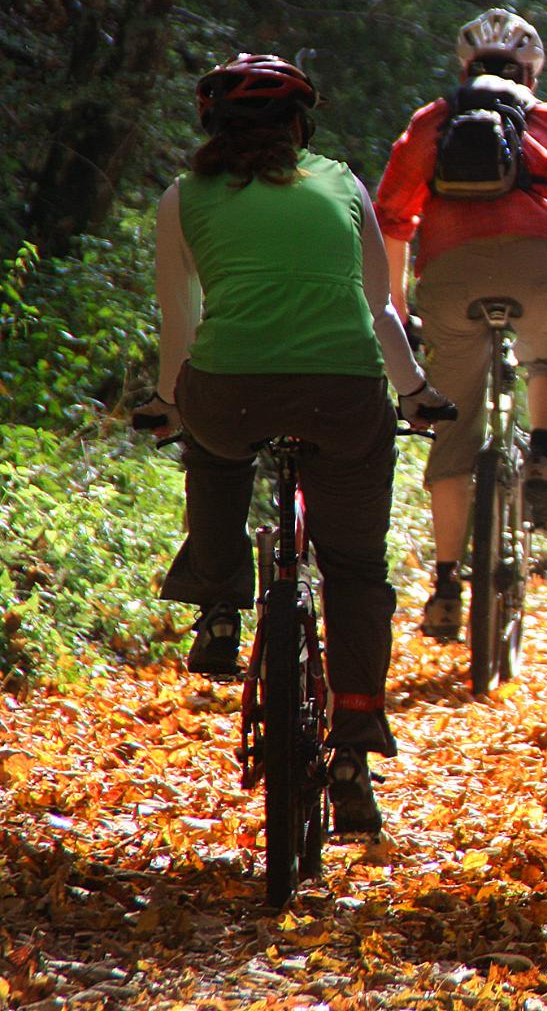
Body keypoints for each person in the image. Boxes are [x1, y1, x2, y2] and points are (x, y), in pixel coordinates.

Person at [140, 53, 452, 839]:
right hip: (342, 393)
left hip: (230, 390)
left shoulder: (183, 198)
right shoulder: (343, 185)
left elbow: (181, 324)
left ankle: (219, 602)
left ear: (210, 125)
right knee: (354, 569)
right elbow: (379, 307)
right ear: (301, 126)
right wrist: (412, 390)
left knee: (212, 444)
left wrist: (165, 400)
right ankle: (352, 745)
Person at [375, 9, 547, 640]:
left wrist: (400, 311)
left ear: (464, 70)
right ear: (532, 74)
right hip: (540, 266)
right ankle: (541, 456)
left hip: (450, 276)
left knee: (452, 434)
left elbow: (391, 221)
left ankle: (442, 586)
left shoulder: (431, 123)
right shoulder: (546, 122)